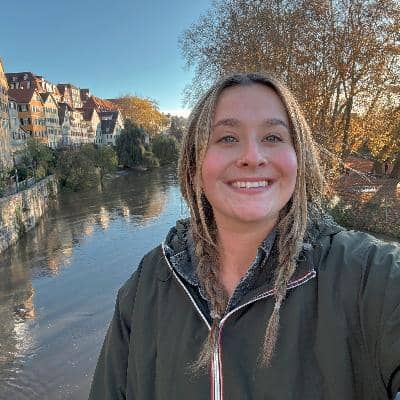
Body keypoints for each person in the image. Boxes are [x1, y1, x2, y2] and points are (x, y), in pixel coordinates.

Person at [89, 73, 400, 400]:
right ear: (194, 167)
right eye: (227, 138)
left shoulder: (370, 276)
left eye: (273, 137)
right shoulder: (146, 286)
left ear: (300, 159)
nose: (252, 156)